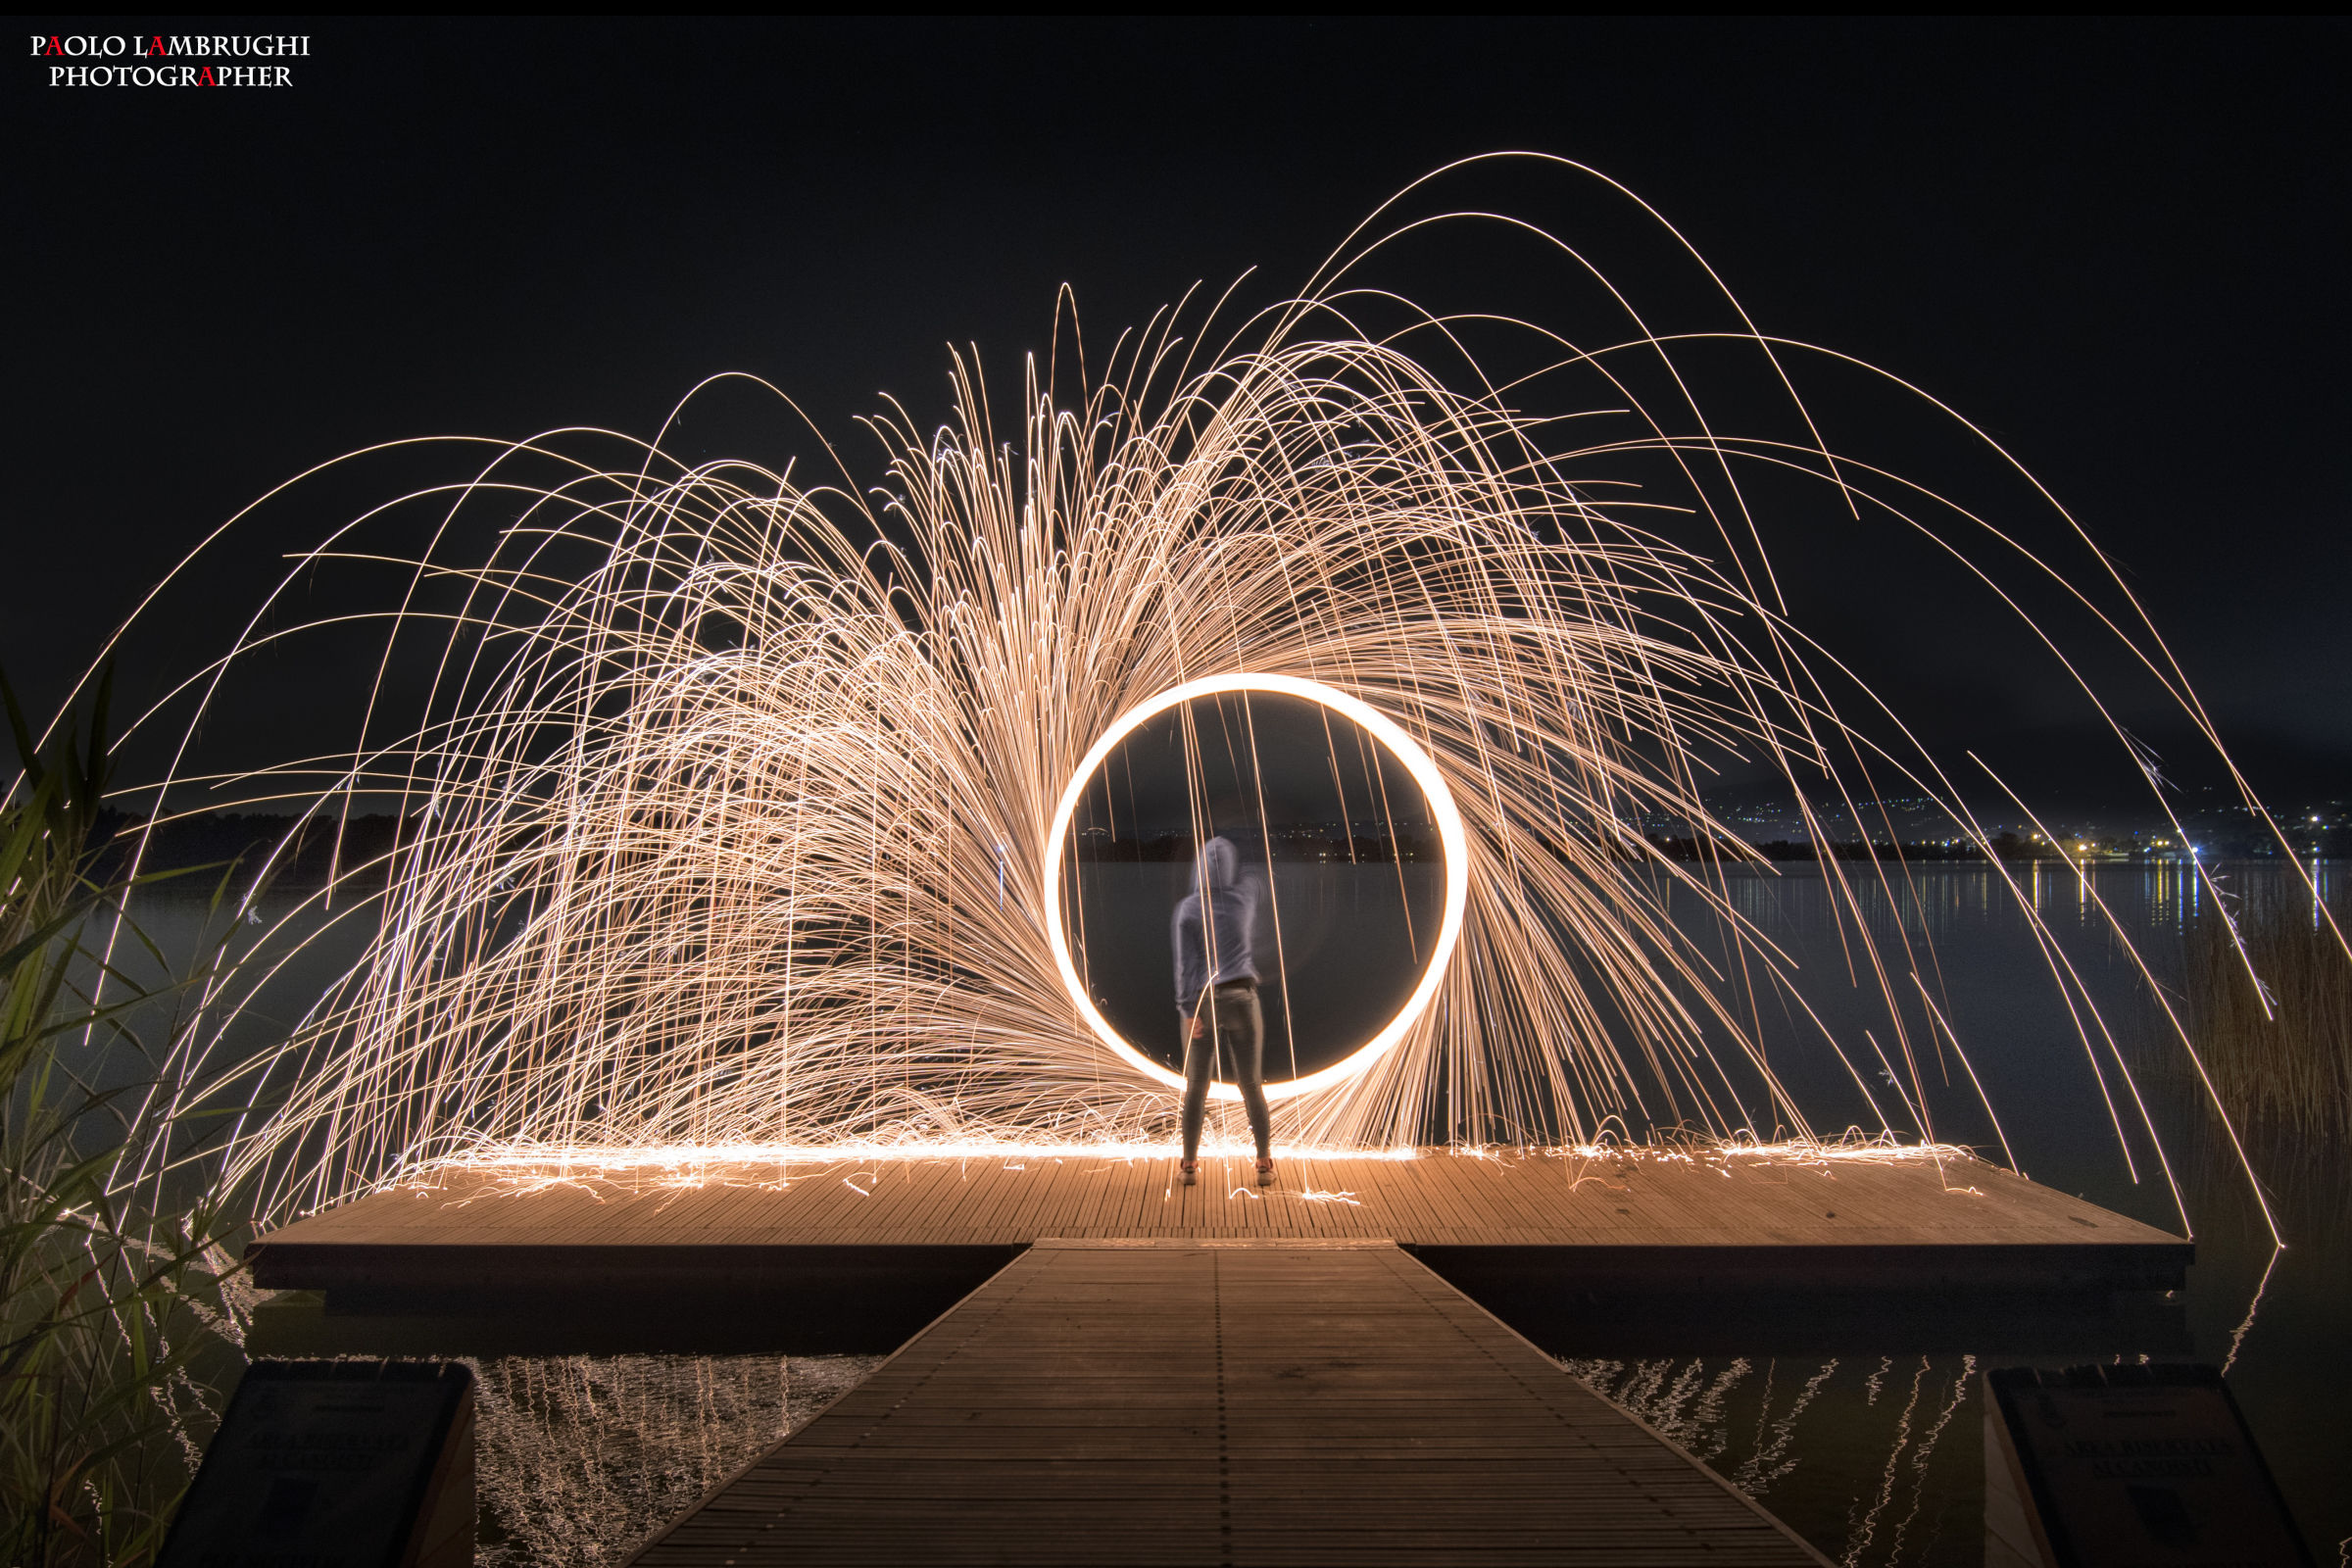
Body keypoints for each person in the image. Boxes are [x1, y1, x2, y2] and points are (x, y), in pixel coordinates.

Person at [1172, 834, 1273, 1187]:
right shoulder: (1243, 899)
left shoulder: (1188, 908)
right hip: (1243, 998)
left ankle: (1188, 1167)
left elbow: (1186, 966)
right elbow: (1257, 880)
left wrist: (1188, 1010)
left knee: (1196, 1087)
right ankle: (1263, 1165)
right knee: (1251, 1085)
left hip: (1204, 1001)